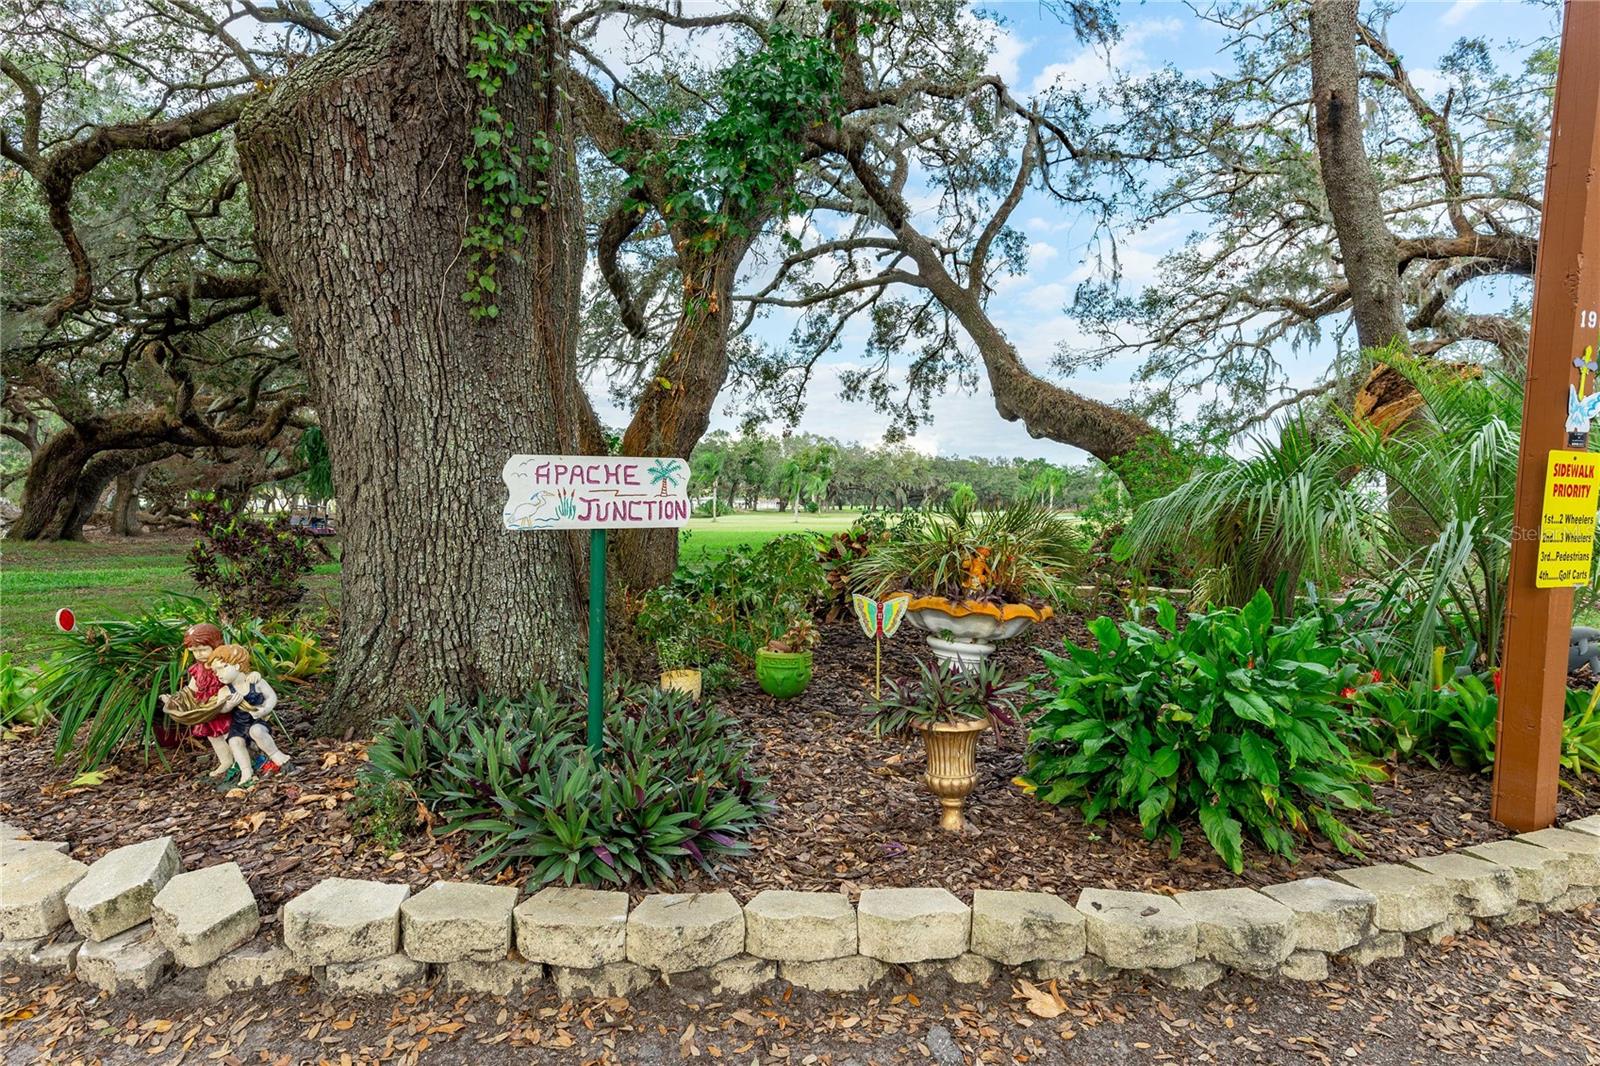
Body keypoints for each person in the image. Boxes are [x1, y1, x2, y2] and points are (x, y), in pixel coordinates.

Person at [157, 623, 235, 777]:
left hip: (224, 706)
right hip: (206, 709)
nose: (199, 655)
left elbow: (235, 682)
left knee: (230, 734)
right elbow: (192, 688)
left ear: (216, 645)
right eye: (194, 651)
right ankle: (225, 760)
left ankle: (241, 759)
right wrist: (176, 699)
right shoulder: (197, 669)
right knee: (214, 736)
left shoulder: (222, 665)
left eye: (203, 650)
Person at [209, 643, 293, 785]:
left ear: (236, 665)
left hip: (257, 720)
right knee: (235, 742)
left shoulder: (255, 682)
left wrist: (264, 710)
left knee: (257, 731)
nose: (218, 674)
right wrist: (230, 704)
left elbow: (271, 697)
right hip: (239, 724)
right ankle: (246, 772)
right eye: (215, 671)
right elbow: (221, 709)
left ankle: (278, 756)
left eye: (221, 668)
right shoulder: (225, 691)